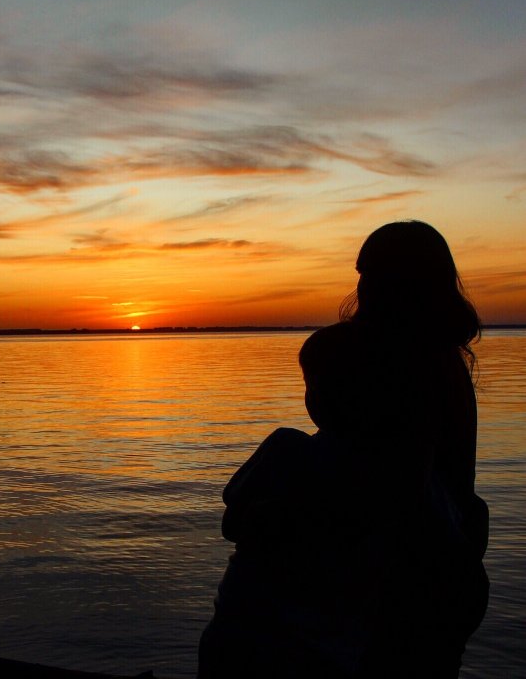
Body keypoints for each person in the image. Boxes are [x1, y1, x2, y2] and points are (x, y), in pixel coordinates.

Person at [198, 220, 488, 678]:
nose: (362, 286)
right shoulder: (416, 360)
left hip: (418, 589)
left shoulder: (421, 369)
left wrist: (276, 520)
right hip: (428, 578)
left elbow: (394, 495)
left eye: (374, 273)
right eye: (361, 272)